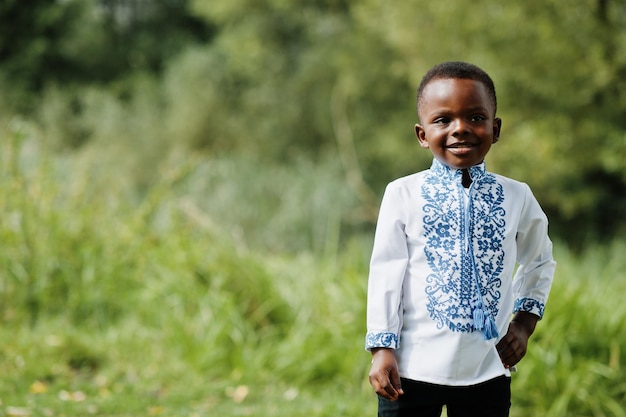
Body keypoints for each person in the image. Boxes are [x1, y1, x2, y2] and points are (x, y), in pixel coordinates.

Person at [365, 61, 556, 417]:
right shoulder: (403, 194)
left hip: (487, 370)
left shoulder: (517, 196)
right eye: (443, 120)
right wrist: (382, 349)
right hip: (411, 370)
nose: (461, 129)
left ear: (495, 128)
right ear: (422, 134)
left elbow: (540, 259)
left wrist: (525, 323)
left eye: (475, 117)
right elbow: (386, 272)